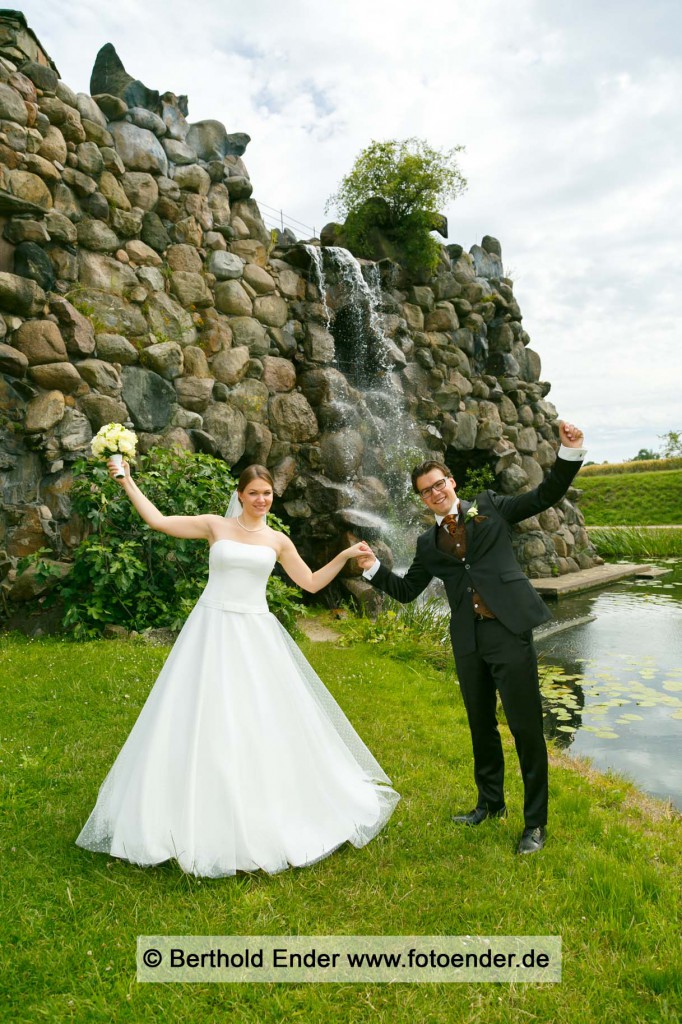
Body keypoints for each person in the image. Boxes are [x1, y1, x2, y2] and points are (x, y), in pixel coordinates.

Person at [76, 462, 399, 877]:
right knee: (196, 713)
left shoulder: (277, 540)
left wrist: (344, 555)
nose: (261, 500)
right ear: (240, 495)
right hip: (210, 627)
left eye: (267, 493)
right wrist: (126, 480)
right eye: (254, 493)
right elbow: (157, 520)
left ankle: (263, 805)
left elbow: (312, 583)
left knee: (256, 716)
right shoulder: (215, 525)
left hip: (254, 631)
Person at [355, 422, 586, 854]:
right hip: (468, 641)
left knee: (525, 729)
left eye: (439, 483)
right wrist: (373, 567)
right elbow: (407, 592)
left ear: (451, 482)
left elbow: (543, 496)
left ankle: (535, 824)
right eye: (426, 490)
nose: (435, 492)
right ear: (421, 498)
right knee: (482, 727)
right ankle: (489, 804)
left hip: (508, 632)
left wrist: (569, 452)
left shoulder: (491, 507)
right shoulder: (428, 544)